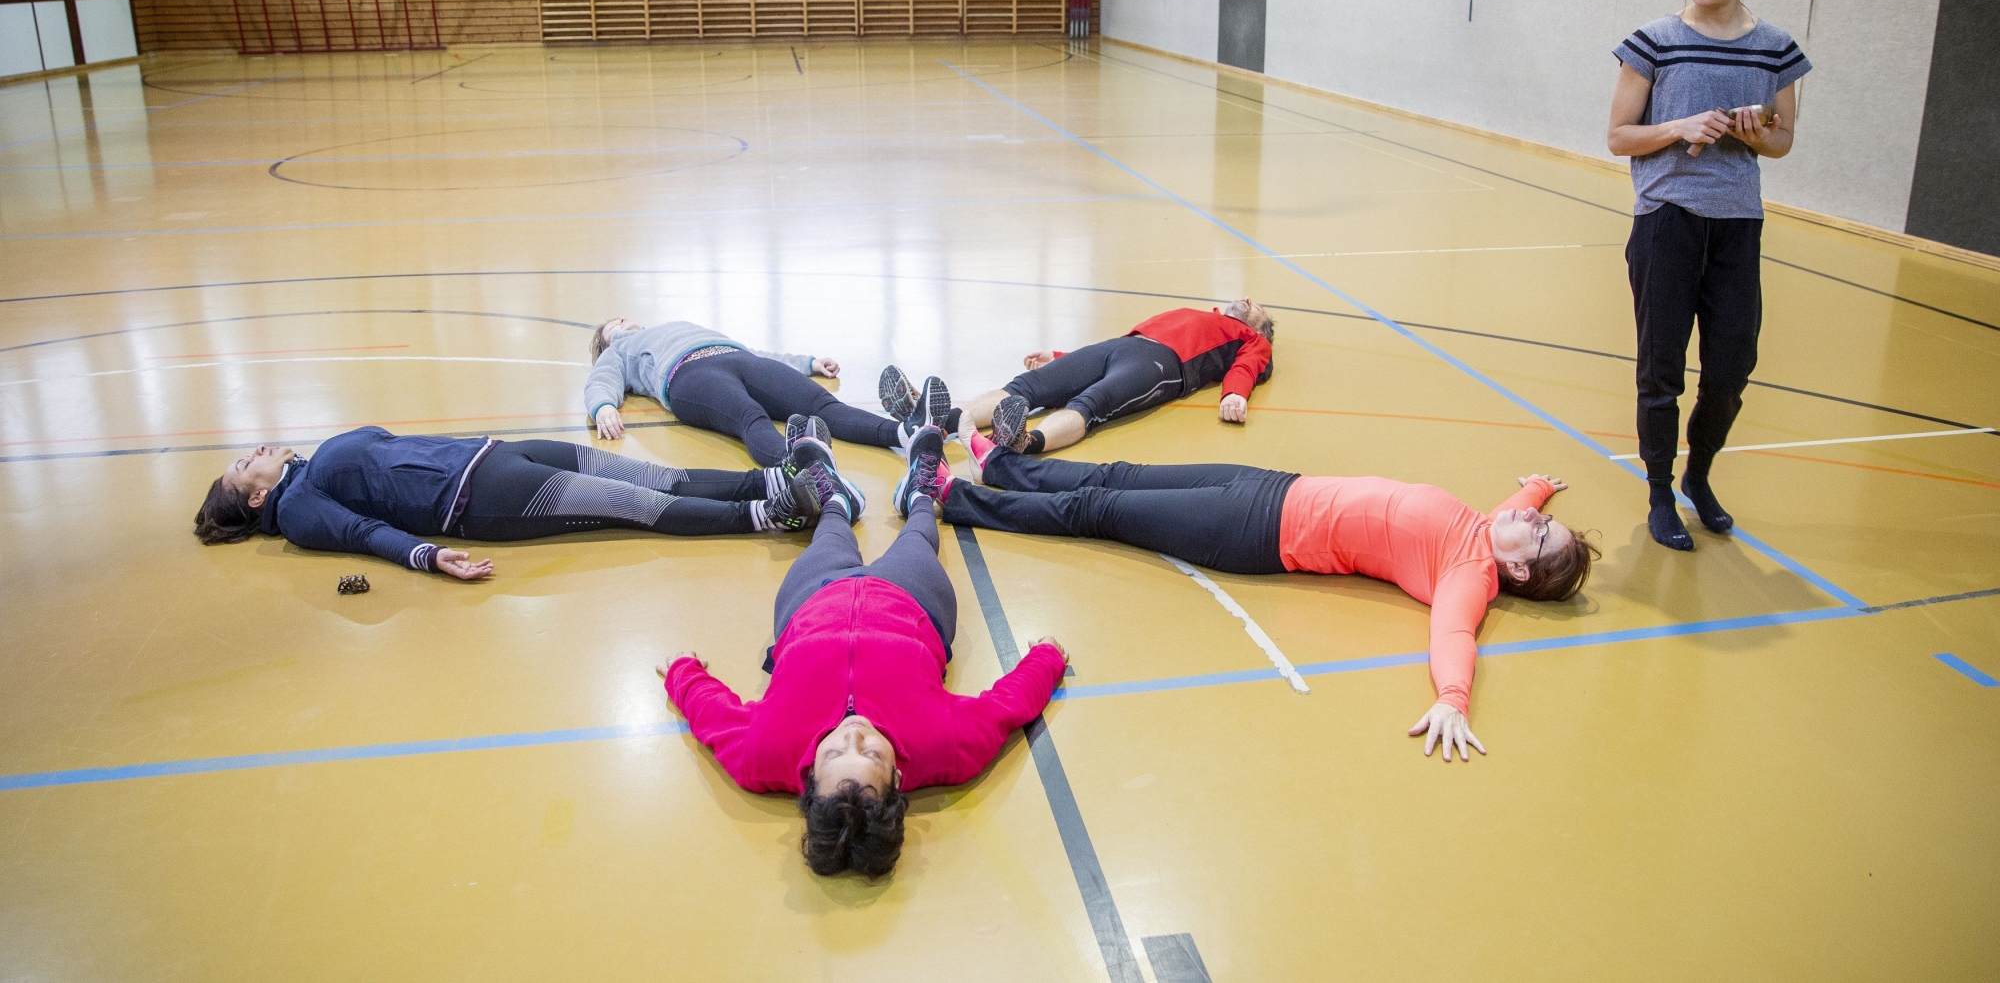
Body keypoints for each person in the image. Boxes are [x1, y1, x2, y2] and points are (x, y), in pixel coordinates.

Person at [898, 430, 1597, 762]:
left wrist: (1454, 699)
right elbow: (1519, 506)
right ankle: (1008, 465)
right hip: (1276, 483)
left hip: (1255, 532)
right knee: (1123, 473)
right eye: (1537, 515)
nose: (1528, 516)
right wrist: (1539, 489)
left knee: (1102, 508)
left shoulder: (1471, 573)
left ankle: (955, 497)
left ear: (1522, 575)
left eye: (1537, 531)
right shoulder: (1492, 524)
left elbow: (1453, 636)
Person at [658, 438, 1068, 880]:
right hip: (912, 599)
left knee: (829, 536)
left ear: (811, 782)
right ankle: (920, 496)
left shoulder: (762, 754)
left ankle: (836, 501)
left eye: (833, 752)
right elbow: (1004, 709)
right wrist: (1046, 658)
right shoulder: (945, 748)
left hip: (811, 601)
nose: (853, 734)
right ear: (895, 781)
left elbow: (713, 717)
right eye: (872, 751)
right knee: (918, 537)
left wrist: (683, 674)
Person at [1607, 0, 1807, 551]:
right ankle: (1661, 489)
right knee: (1660, 365)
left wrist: (1752, 132)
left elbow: (1781, 141)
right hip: (1667, 218)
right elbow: (1619, 136)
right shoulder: (1654, 41)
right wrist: (1681, 125)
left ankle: (1700, 474)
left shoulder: (1775, 48)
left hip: (1736, 222)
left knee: (1731, 364)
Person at [192, 424, 835, 578]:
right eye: (247, 465)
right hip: (480, 497)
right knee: (625, 500)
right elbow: (361, 532)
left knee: (648, 475)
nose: (257, 451)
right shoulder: (300, 510)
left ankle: (773, 479)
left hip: (494, 453)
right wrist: (425, 556)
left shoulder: (308, 466)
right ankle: (767, 515)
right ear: (256, 499)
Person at [886, 299, 1275, 458]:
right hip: (1122, 346)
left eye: (1254, 305)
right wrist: (1060, 358)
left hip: (1162, 366)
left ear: (1259, 324)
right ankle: (939, 418)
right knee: (1028, 387)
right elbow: (1112, 352)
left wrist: (1234, 395)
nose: (1245, 299)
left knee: (1090, 405)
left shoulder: (1251, 338)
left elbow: (1246, 366)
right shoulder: (1201, 313)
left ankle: (1023, 443)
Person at [585, 317, 900, 501]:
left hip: (741, 359)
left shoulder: (676, 327)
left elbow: (755, 353)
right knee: (751, 417)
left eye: (624, 318)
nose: (624, 322)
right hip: (689, 374)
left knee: (823, 405)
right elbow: (602, 377)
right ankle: (810, 476)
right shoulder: (620, 349)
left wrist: (808, 363)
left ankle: (905, 432)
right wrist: (603, 406)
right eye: (614, 325)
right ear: (607, 341)